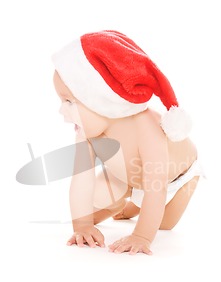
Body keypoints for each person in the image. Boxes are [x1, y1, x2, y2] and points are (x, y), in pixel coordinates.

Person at [52, 30, 203, 255]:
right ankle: (126, 200)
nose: (61, 111)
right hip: (125, 177)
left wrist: (141, 236)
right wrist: (82, 226)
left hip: (173, 178)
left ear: (102, 100)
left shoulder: (146, 127)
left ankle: (133, 204)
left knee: (163, 223)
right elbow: (81, 180)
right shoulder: (86, 131)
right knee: (89, 214)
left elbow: (156, 186)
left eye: (69, 102)